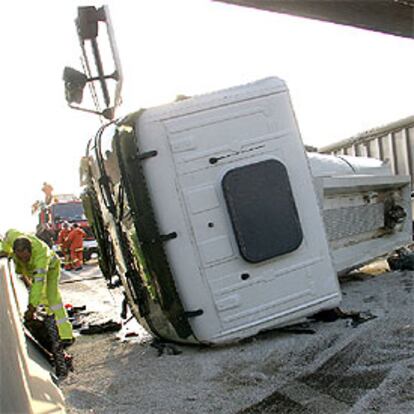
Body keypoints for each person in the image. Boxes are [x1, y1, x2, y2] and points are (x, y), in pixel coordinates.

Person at [0, 229, 74, 345]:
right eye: (20, 257)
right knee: (42, 298)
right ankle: (52, 327)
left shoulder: (41, 257)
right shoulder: (13, 236)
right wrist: (4, 250)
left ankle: (66, 335)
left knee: (51, 298)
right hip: (29, 269)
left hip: (51, 268)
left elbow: (38, 284)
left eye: (26, 257)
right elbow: (6, 236)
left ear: (30, 251)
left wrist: (32, 307)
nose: (23, 259)